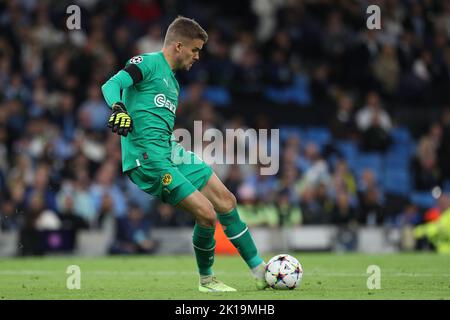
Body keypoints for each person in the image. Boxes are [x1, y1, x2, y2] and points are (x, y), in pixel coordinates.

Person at [101, 16, 267, 292]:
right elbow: (110, 85)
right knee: (206, 214)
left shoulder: (174, 83)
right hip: (148, 158)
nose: (198, 57)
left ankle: (260, 270)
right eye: (195, 49)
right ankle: (206, 280)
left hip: (171, 151)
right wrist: (118, 107)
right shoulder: (148, 63)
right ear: (178, 46)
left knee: (226, 200)